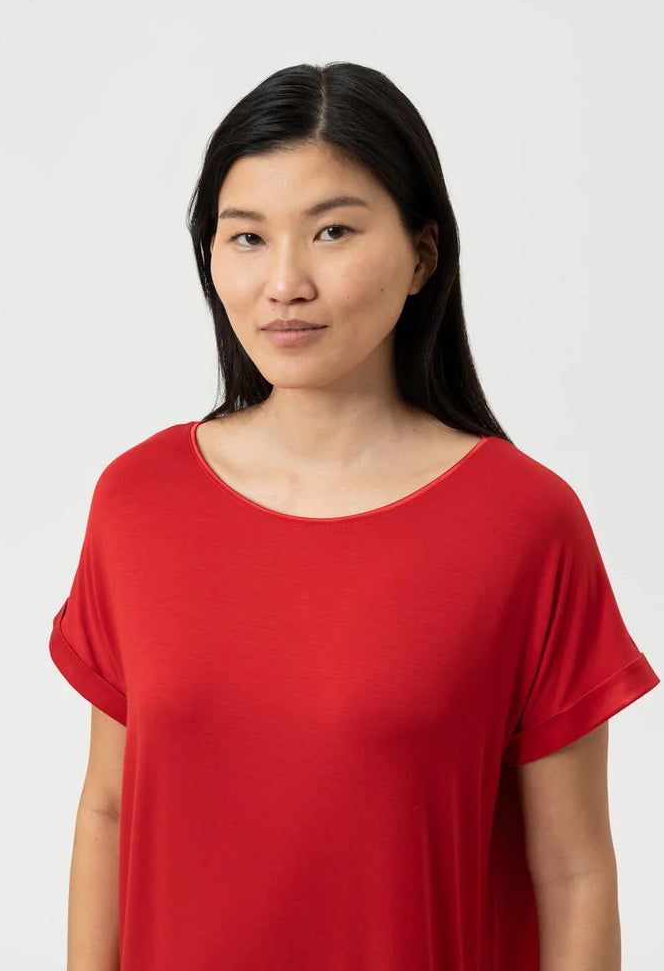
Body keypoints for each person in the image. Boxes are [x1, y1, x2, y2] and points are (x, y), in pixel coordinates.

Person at [49, 61, 660, 971]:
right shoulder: (136, 502)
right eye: (246, 237)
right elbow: (107, 810)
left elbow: (572, 874)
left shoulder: (525, 524)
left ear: (422, 255)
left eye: (332, 230)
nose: (284, 281)